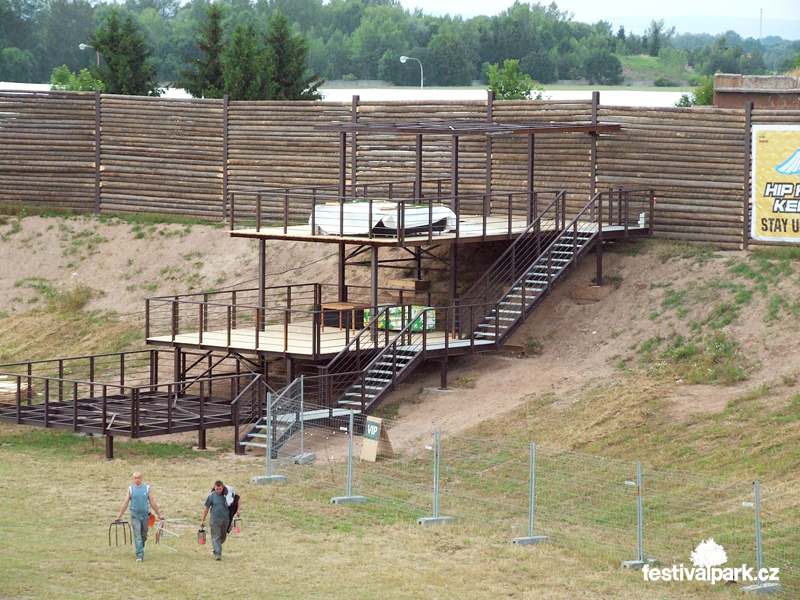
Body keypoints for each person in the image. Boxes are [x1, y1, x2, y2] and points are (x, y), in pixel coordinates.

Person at [115, 471, 162, 562]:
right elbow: (125, 503)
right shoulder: (130, 489)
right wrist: (119, 516)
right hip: (135, 515)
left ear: (141, 478)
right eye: (135, 478)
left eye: (139, 478)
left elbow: (152, 501)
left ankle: (140, 546)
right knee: (137, 535)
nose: (137, 480)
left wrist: (159, 514)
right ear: (133, 479)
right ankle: (140, 555)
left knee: (144, 535)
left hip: (145, 515)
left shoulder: (147, 488)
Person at [201, 480, 240, 560]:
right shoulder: (212, 496)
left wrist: (238, 509)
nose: (218, 491)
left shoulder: (228, 494)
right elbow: (206, 507)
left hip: (225, 518)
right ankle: (218, 554)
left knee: (223, 537)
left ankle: (216, 548)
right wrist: (203, 520)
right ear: (214, 488)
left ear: (223, 488)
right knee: (216, 536)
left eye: (220, 489)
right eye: (216, 489)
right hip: (214, 518)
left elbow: (238, 498)